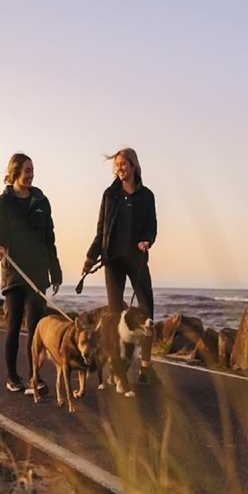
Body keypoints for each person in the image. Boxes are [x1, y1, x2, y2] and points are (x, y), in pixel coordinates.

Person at [84, 147, 157, 384]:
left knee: (147, 312)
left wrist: (147, 240)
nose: (119, 169)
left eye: (123, 165)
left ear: (134, 166)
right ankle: (118, 370)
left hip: (136, 260)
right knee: (115, 315)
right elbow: (100, 231)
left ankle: (146, 368)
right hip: (113, 262)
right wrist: (90, 256)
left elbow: (151, 226)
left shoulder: (147, 196)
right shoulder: (109, 195)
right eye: (116, 165)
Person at [0, 153, 62, 393]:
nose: (31, 175)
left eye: (32, 170)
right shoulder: (3, 202)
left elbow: (49, 238)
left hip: (37, 273)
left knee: (35, 326)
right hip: (13, 272)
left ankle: (34, 379)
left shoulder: (42, 202)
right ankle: (12, 377)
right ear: (15, 172)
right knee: (13, 326)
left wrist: (55, 268)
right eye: (27, 170)